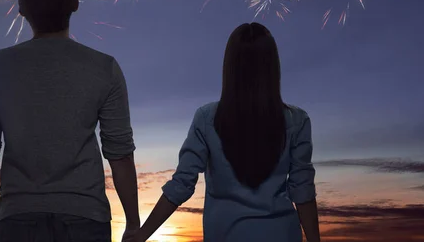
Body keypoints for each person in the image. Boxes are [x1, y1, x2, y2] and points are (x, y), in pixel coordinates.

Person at [0, 0, 140, 242]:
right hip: (86, 218)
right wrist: (133, 224)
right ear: (74, 3)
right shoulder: (103, 68)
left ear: (22, 9)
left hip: (16, 219)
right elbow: (120, 153)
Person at [126, 22, 320, 242]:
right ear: (273, 66)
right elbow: (302, 191)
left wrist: (141, 235)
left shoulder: (207, 118)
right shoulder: (297, 120)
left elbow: (181, 185)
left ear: (229, 67)